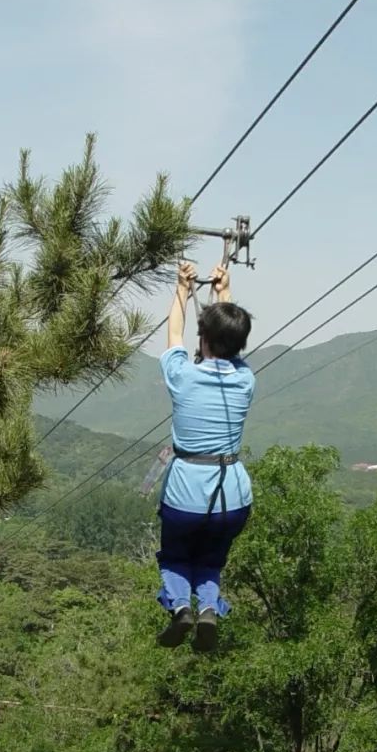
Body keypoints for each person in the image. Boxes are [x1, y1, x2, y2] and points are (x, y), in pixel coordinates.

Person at [155, 260, 255, 651]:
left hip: (185, 493)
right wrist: (224, 292)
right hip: (233, 495)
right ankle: (209, 608)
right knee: (211, 560)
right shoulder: (246, 380)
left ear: (204, 341)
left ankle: (181, 606)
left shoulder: (182, 375)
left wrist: (182, 288)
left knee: (176, 556)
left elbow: (174, 334)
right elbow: (231, 341)